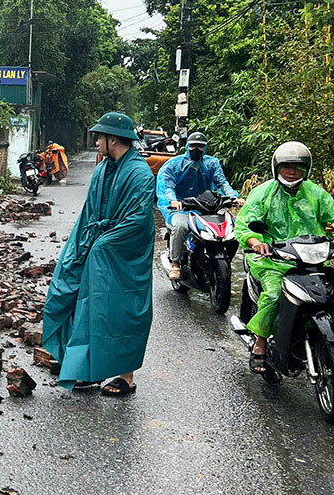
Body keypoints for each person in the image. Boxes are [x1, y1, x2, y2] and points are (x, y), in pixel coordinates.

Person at [42, 111, 155, 397]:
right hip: (98, 247)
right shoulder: (103, 169)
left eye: (99, 137)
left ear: (113, 139)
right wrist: (78, 246)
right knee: (75, 296)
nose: (96, 142)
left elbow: (138, 220)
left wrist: (102, 245)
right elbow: (89, 213)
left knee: (120, 312)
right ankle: (86, 369)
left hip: (123, 256)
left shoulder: (140, 174)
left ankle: (126, 378)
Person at [234, 140, 334, 373]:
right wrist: (256, 242)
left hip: (313, 260)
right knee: (273, 294)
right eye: (286, 165)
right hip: (274, 260)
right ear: (277, 167)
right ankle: (259, 343)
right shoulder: (263, 193)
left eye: (297, 166)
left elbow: (332, 219)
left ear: (306, 169)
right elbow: (244, 225)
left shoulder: (317, 194)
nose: (292, 171)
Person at [156, 130, 239, 280]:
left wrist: (233, 197)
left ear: (205, 148)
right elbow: (166, 185)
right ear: (187, 146)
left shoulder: (211, 163)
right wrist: (173, 200)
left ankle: (223, 272)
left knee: (232, 229)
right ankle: (175, 263)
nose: (196, 149)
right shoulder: (174, 164)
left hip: (206, 205)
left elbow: (221, 182)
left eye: (200, 146)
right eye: (193, 146)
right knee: (180, 226)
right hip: (181, 206)